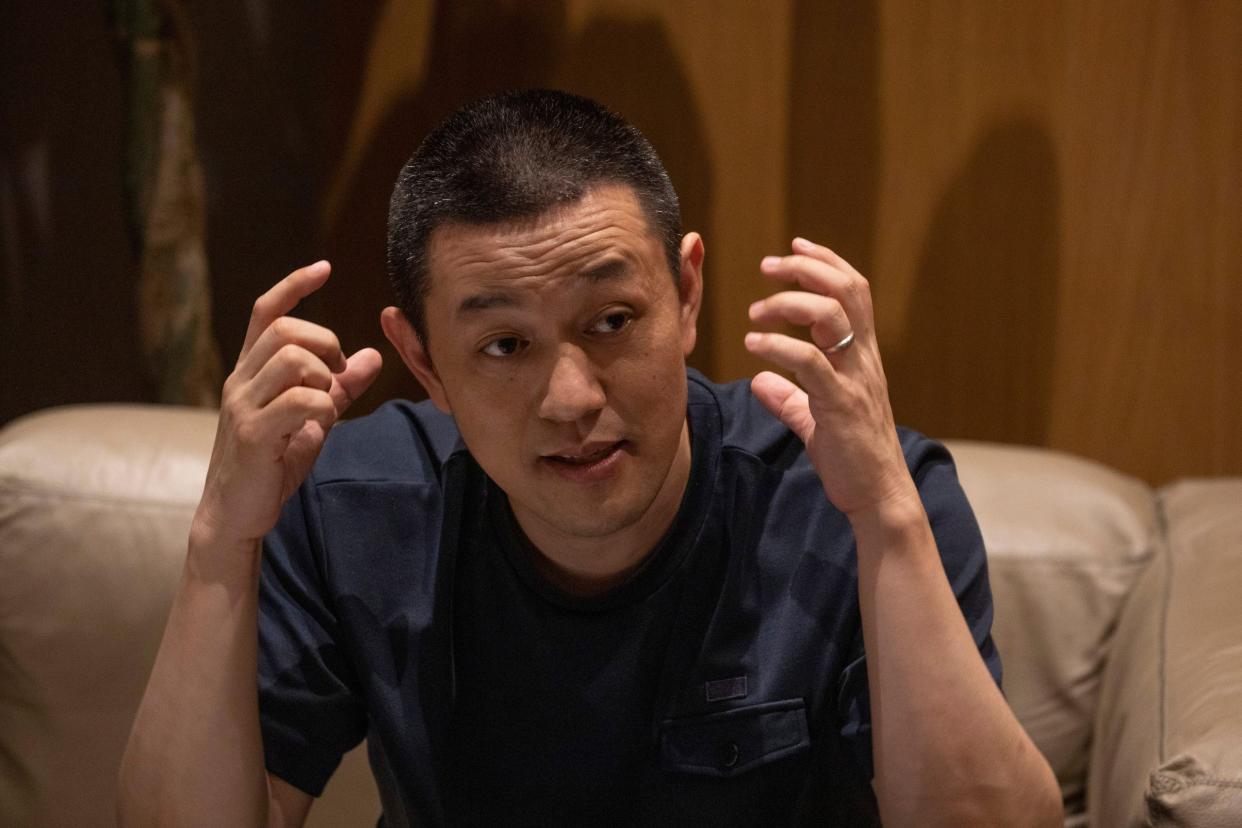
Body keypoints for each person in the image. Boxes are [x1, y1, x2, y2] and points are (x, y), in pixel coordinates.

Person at [119, 89, 1062, 826]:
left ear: (688, 295)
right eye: (504, 346)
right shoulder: (349, 507)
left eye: (613, 322)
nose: (571, 399)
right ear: (422, 361)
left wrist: (888, 525)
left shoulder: (855, 491)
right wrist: (217, 541)